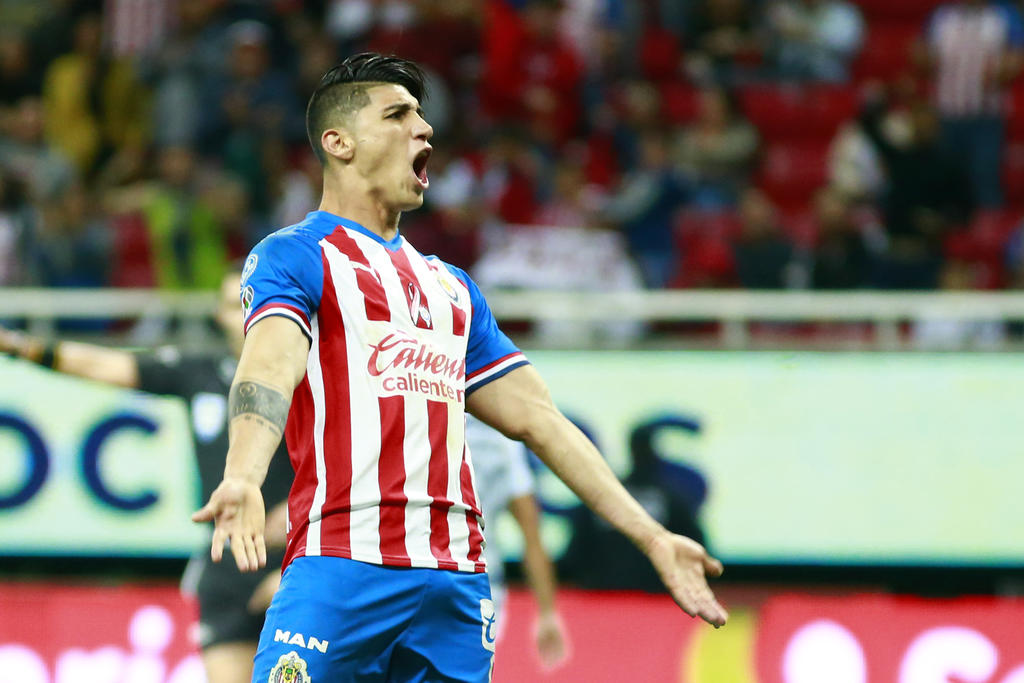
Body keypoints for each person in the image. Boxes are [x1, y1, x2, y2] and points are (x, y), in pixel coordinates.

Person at [191, 53, 727, 683]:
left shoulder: (452, 288)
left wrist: (652, 535)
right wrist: (244, 474)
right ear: (339, 143)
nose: (424, 129)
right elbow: (269, 365)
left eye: (421, 116)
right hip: (343, 566)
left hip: (455, 585)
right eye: (398, 115)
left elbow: (541, 420)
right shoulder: (296, 255)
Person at [0, 271, 293, 683]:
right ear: (218, 315)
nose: (246, 315)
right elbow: (105, 365)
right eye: (235, 305)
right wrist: (18, 346)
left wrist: (295, 540)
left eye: (255, 303)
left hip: (294, 561)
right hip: (226, 566)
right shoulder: (200, 373)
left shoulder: (309, 381)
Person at [465, 414, 566, 669]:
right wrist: (547, 612)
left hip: (414, 572)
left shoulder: (421, 413)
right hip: (479, 586)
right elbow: (532, 534)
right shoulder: (502, 438)